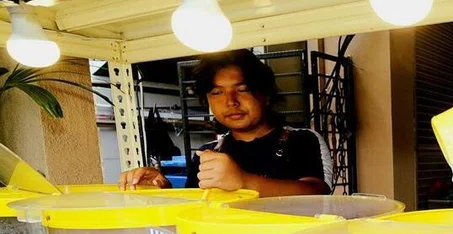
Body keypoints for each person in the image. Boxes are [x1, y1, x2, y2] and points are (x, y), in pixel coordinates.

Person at [119, 50, 333, 196]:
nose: (230, 101)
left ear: (266, 94)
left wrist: (244, 182)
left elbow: (317, 193)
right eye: (217, 92)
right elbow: (196, 209)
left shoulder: (301, 139)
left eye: (242, 89)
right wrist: (161, 190)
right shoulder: (208, 153)